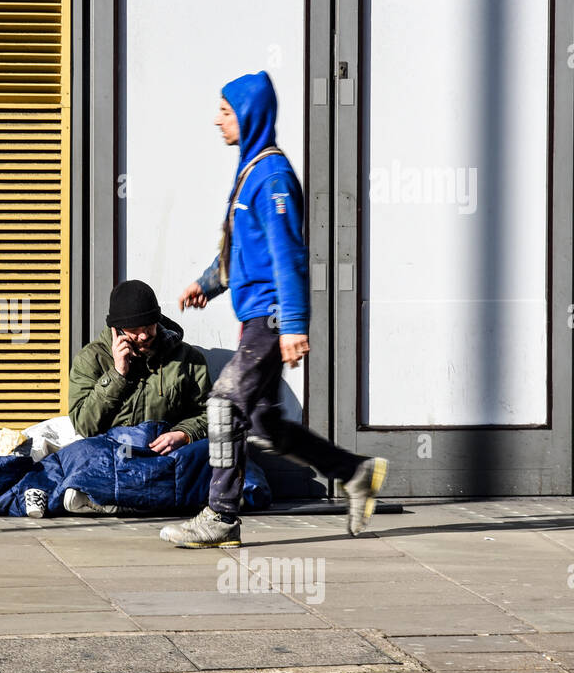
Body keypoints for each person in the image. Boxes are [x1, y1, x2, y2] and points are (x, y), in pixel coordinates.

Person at [163, 71, 387, 548]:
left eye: (226, 112)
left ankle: (220, 517)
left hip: (268, 320)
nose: (217, 120)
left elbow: (289, 257)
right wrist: (206, 284)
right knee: (265, 423)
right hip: (255, 320)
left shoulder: (273, 177)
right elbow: (241, 254)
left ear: (249, 115)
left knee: (223, 405)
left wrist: (293, 325)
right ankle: (355, 473)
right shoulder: (250, 173)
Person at [63, 279, 210, 514]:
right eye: (134, 330)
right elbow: (84, 425)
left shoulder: (188, 359)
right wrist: (117, 375)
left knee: (226, 448)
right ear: (117, 330)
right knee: (81, 453)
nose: (143, 336)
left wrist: (183, 434)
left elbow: (207, 413)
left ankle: (112, 498)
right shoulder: (91, 359)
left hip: (165, 457)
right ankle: (142, 496)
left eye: (149, 327)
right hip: (116, 455)